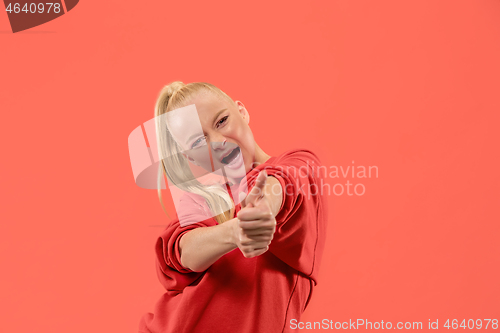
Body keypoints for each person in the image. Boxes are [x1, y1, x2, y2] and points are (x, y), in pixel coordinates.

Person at [138, 81, 329, 333]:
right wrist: (235, 232)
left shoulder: (298, 163)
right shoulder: (200, 197)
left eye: (221, 121)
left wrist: (263, 210)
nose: (218, 142)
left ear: (242, 111)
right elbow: (183, 250)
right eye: (197, 143)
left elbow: (284, 182)